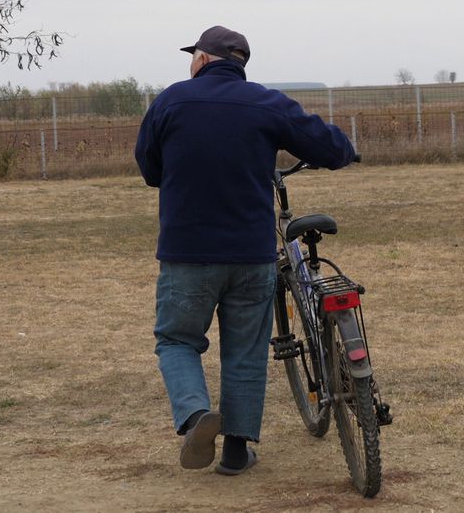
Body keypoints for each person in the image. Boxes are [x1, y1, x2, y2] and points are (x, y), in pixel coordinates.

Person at [134, 25, 357, 475]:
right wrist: (345, 152)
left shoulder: (170, 101)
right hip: (251, 255)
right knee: (245, 351)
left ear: (202, 59)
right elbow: (329, 146)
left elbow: (150, 169)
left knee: (177, 340)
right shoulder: (266, 102)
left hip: (187, 253)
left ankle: (196, 416)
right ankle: (237, 451)